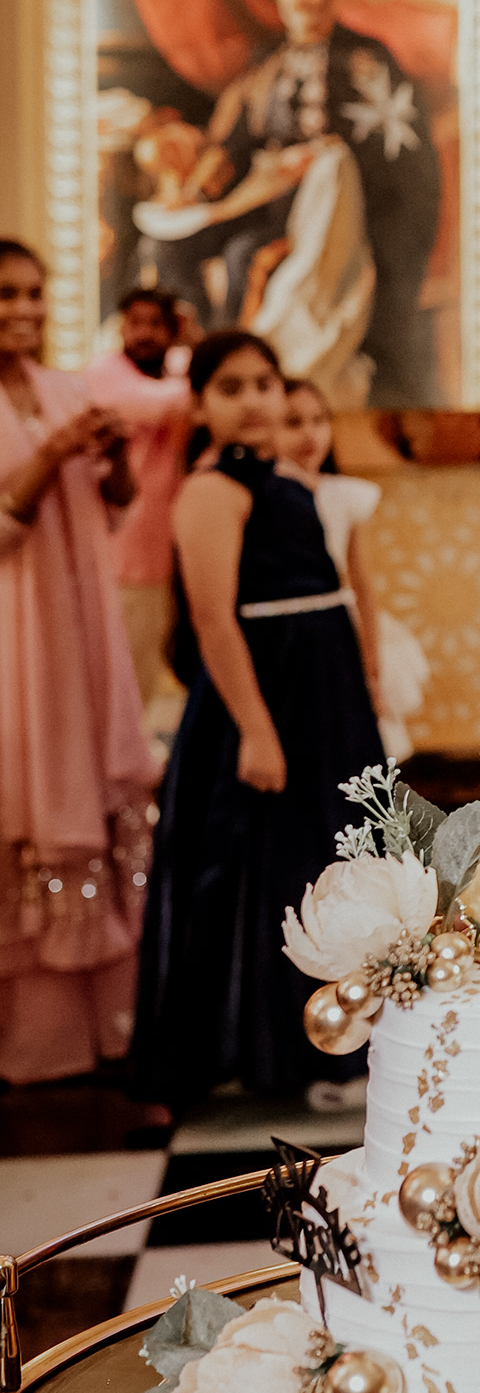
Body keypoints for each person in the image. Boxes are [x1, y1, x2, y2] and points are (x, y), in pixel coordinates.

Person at [133, 329, 383, 1108]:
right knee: (268, 868)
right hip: (266, 698)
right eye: (231, 388)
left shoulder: (285, 477)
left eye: (264, 384)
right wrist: (257, 729)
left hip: (323, 692)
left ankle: (344, 1035)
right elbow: (213, 620)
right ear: (200, 405)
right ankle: (278, 1050)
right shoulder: (211, 489)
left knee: (331, 852)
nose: (253, 401)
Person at [0, 239, 150, 1085]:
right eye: (6, 294)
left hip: (83, 624)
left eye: (33, 293)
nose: (24, 309)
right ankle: (31, 1040)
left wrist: (115, 456)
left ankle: (111, 1029)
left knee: (94, 786)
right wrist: (53, 452)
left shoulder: (67, 389)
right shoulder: (50, 413)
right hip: (15, 633)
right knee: (26, 792)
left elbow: (115, 506)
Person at [196, 0, 440, 406]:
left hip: (353, 208)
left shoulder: (366, 57)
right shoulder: (268, 63)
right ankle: (231, 378)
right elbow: (239, 139)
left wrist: (326, 162)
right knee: (234, 254)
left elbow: (398, 149)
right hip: (277, 210)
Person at [280, 377, 430, 764]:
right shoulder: (257, 497)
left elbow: (361, 585)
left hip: (339, 631)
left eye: (319, 420)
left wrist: (372, 671)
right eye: (293, 423)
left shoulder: (344, 496)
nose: (309, 434)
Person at [82, 288, 193, 736]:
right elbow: (156, 404)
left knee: (161, 658)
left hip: (176, 548)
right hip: (128, 551)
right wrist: (202, 372)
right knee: (127, 668)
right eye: (135, 323)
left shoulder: (175, 370)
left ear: (172, 331)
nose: (144, 334)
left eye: (156, 324)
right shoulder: (105, 373)